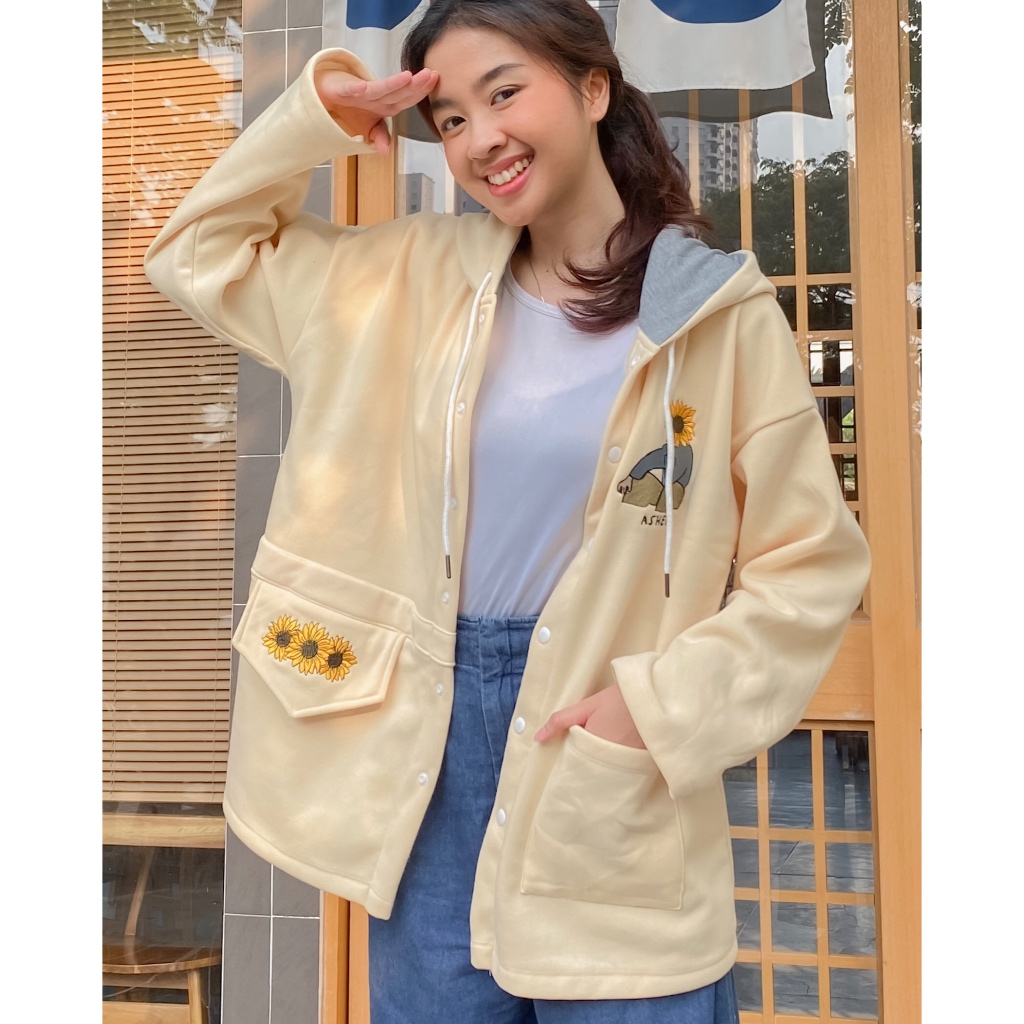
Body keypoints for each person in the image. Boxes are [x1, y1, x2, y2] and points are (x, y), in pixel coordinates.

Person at [145, 1, 871, 1021]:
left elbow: (812, 566)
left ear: (592, 87)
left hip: (601, 755)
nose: (481, 137)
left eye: (504, 93)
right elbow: (195, 253)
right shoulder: (397, 277)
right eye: (449, 119)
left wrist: (655, 709)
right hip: (424, 768)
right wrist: (318, 116)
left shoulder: (719, 318)